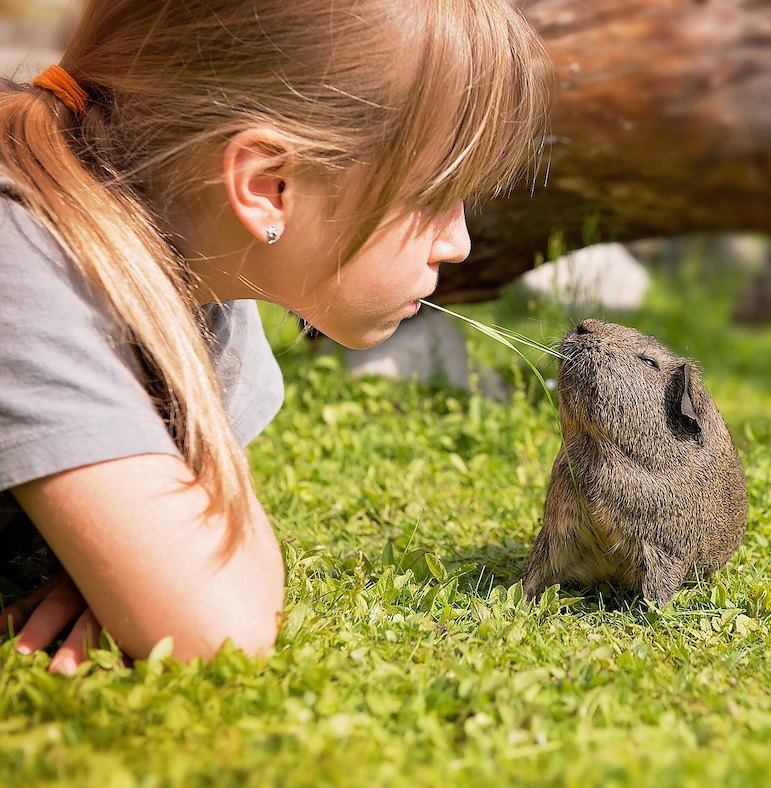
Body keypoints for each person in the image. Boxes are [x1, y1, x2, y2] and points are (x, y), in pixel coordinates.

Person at [0, 0, 554, 675]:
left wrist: (130, 558)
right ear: (266, 186)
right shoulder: (21, 261)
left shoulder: (204, 266)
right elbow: (219, 629)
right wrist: (167, 573)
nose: (459, 241)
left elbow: (199, 548)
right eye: (434, 194)